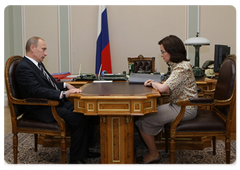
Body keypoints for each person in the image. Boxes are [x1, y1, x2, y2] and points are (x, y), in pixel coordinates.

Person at [15, 36, 100, 165]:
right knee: (78, 118)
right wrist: (64, 94)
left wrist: (66, 85)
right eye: (43, 49)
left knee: (86, 112)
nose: (45, 53)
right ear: (32, 48)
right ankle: (75, 159)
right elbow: (36, 91)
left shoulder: (37, 64)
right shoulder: (24, 67)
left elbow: (50, 84)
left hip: (52, 103)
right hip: (40, 108)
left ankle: (83, 151)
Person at [135, 35, 198, 164]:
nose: (162, 55)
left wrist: (152, 83)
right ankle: (152, 150)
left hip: (185, 108)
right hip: (177, 105)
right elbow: (169, 88)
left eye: (163, 51)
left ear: (173, 51)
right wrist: (157, 84)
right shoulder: (178, 66)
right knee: (144, 116)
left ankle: (154, 154)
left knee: (143, 120)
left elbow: (163, 89)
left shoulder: (182, 68)